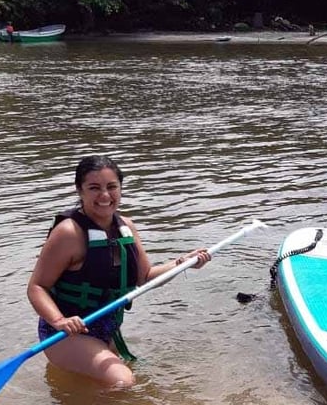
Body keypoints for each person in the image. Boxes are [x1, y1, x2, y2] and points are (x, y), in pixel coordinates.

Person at [27, 155, 211, 387]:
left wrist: (183, 263)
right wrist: (60, 320)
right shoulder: (68, 233)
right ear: (79, 191)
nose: (105, 195)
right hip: (66, 332)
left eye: (112, 187)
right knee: (122, 381)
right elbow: (37, 287)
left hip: (106, 327)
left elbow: (145, 277)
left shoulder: (126, 227)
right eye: (94, 188)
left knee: (136, 379)